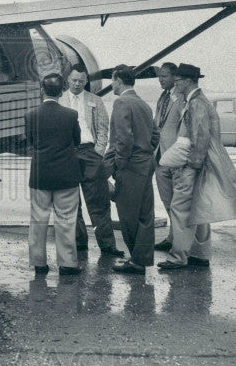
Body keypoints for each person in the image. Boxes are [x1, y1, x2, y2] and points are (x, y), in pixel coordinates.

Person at [158, 63, 236, 271]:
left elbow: (200, 137)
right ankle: (200, 254)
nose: (175, 84)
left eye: (178, 80)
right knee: (199, 209)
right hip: (202, 163)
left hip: (193, 165)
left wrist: (192, 166)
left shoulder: (196, 104)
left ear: (188, 81)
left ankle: (178, 257)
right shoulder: (198, 101)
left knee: (180, 208)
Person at [59, 65, 124, 257]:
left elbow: (103, 128)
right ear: (67, 80)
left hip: (90, 152)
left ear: (86, 81)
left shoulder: (95, 100)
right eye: (74, 80)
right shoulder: (60, 100)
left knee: (99, 200)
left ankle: (107, 245)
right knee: (71, 201)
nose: (77, 84)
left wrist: (98, 151)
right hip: (67, 154)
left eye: (81, 80)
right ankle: (79, 243)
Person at [25, 72, 83, 276]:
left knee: (38, 218)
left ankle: (39, 262)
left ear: (42, 90)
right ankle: (67, 264)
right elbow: (77, 142)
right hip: (66, 175)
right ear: (61, 91)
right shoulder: (70, 115)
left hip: (40, 174)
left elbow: (30, 142)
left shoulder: (31, 115)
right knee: (66, 219)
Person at [106, 65, 156, 275]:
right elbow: (155, 136)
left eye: (112, 80)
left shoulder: (121, 102)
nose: (111, 84)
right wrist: (145, 154)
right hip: (145, 165)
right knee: (145, 216)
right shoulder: (144, 104)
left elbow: (123, 139)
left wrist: (120, 164)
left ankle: (136, 261)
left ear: (118, 79)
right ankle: (141, 259)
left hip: (130, 168)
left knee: (128, 215)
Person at [151, 62, 183, 251]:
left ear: (174, 77)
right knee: (167, 200)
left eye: (164, 76)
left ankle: (179, 240)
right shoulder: (162, 98)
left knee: (179, 202)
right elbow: (157, 125)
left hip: (176, 157)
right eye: (159, 76)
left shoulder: (181, 99)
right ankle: (172, 237)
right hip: (160, 157)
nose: (160, 80)